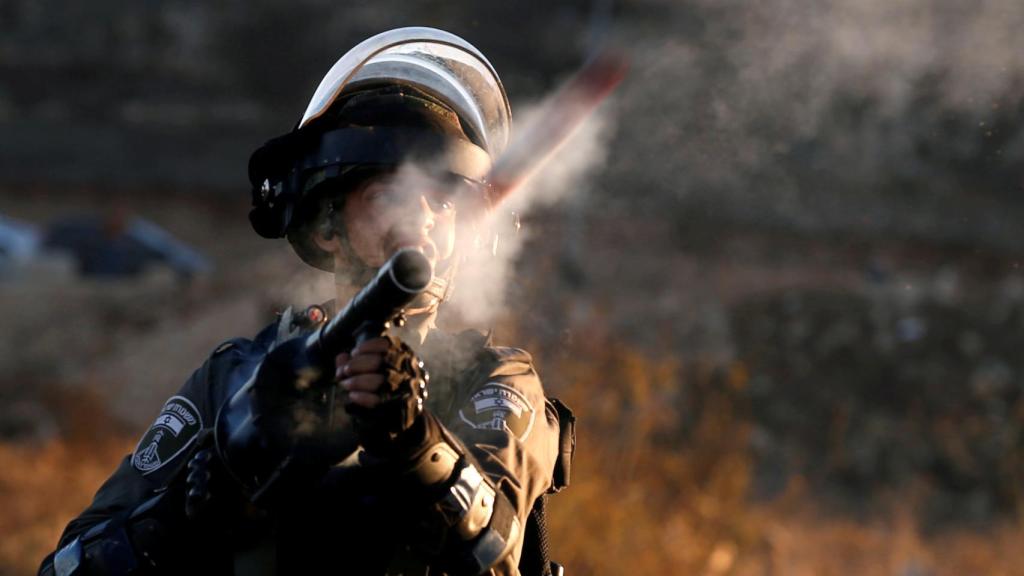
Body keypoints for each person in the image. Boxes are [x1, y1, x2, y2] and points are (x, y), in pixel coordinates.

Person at [39, 27, 574, 576]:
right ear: (326, 228)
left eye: (443, 199)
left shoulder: (495, 381)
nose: (422, 219)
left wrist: (415, 442)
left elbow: (497, 556)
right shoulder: (238, 380)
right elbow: (67, 567)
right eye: (387, 195)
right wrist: (199, 500)